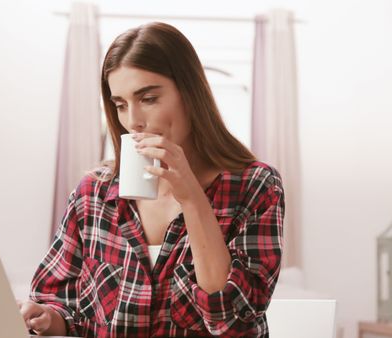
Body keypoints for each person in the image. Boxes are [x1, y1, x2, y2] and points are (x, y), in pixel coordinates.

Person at [18, 22, 285, 337]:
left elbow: (233, 324)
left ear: (189, 93)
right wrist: (50, 319)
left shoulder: (255, 186)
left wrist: (192, 199)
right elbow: (61, 301)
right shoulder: (94, 194)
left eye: (148, 98)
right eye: (120, 105)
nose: (133, 121)